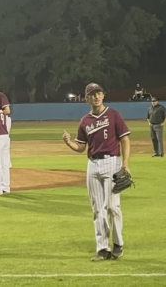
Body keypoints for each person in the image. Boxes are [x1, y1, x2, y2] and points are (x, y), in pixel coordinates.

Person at [61, 82, 131, 262]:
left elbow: (125, 140)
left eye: (98, 93)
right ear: (87, 99)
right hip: (92, 164)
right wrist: (69, 142)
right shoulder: (85, 121)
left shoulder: (114, 115)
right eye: (92, 94)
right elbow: (81, 147)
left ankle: (118, 244)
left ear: (103, 95)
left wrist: (125, 164)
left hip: (111, 162)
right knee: (98, 209)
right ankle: (102, 249)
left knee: (113, 207)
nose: (96, 96)